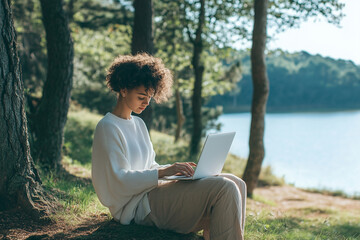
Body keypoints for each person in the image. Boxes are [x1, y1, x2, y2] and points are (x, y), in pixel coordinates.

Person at [91, 53, 247, 240]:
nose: (146, 102)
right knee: (224, 188)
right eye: (141, 96)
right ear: (123, 90)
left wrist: (174, 171)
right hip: (136, 206)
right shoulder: (108, 127)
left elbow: (149, 167)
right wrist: (163, 173)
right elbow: (119, 180)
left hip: (152, 193)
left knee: (237, 183)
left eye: (149, 97)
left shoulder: (138, 124)